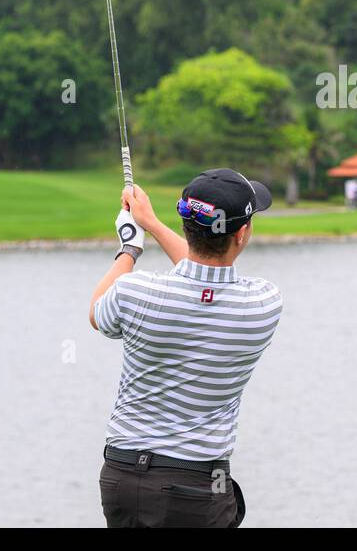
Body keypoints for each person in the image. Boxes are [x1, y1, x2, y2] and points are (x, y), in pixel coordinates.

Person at [88, 169, 282, 528]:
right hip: (196, 487)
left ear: (186, 225)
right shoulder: (262, 304)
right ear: (241, 234)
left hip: (120, 478)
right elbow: (203, 279)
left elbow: (97, 312)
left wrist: (131, 246)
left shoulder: (136, 292)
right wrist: (155, 226)